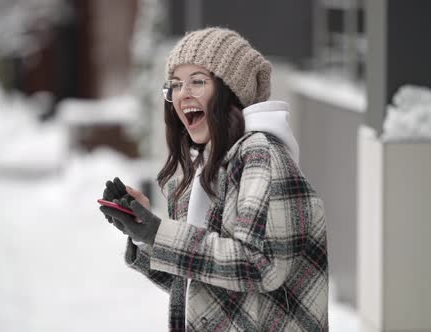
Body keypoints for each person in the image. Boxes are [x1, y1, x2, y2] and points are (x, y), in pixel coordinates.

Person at [99, 27, 328, 331]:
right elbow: (201, 284)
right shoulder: (210, 163)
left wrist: (161, 235)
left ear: (229, 91)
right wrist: (147, 237)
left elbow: (261, 265)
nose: (183, 94)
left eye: (197, 81)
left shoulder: (263, 156)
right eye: (176, 84)